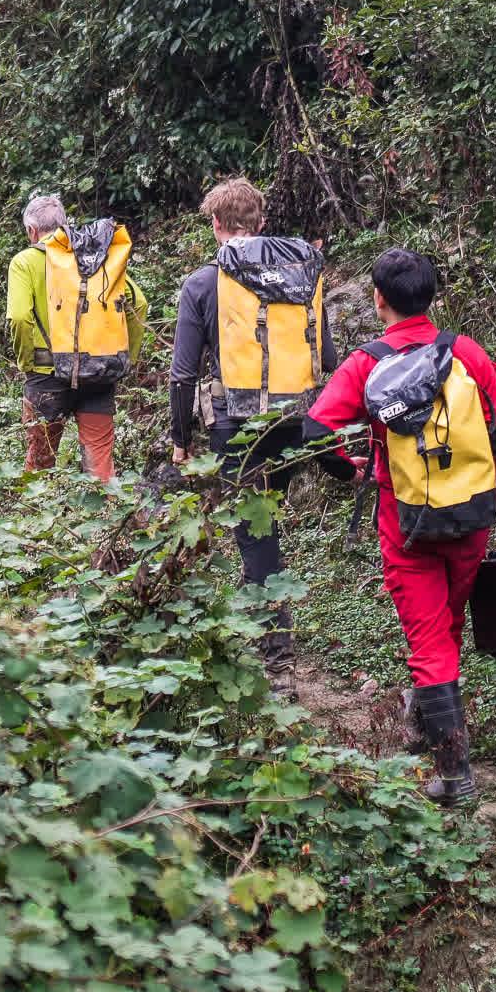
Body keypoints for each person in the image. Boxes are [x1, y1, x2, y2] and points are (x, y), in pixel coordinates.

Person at [302, 247, 496, 804]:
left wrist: (345, 466)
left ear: (379, 300)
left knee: (429, 641)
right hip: (475, 519)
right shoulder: (467, 353)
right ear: (431, 297)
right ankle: (421, 721)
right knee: (444, 627)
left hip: (406, 527)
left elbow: (313, 432)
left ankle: (454, 777)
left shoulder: (366, 364)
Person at [165, 177, 332, 665]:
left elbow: (182, 375)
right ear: (261, 223)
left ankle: (273, 642)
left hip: (234, 424)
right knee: (264, 521)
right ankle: (257, 603)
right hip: (293, 422)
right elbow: (327, 354)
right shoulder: (300, 277)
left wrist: (180, 441)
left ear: (216, 225)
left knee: (255, 529)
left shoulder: (203, 283)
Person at [4, 193, 148, 480]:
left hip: (46, 374)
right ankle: (106, 521)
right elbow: (139, 305)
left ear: (32, 231)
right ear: (64, 225)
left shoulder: (25, 261)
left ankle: (38, 521)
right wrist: (125, 358)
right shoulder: (94, 257)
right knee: (101, 468)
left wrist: (26, 364)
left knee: (40, 467)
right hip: (98, 369)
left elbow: (19, 318)